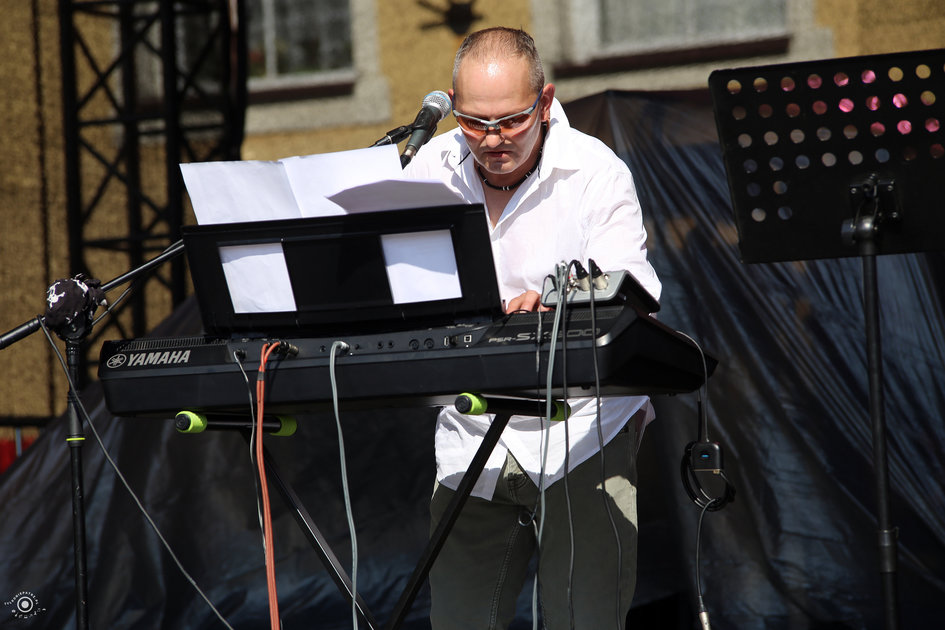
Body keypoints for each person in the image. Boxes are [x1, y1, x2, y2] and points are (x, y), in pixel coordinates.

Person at [403, 27, 662, 630]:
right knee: (460, 619)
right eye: (474, 123)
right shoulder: (427, 170)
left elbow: (635, 289)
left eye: (512, 121)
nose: (493, 140)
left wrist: (552, 301)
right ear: (452, 105)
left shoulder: (595, 171)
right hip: (471, 429)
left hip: (584, 431)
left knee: (584, 618)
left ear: (545, 102)